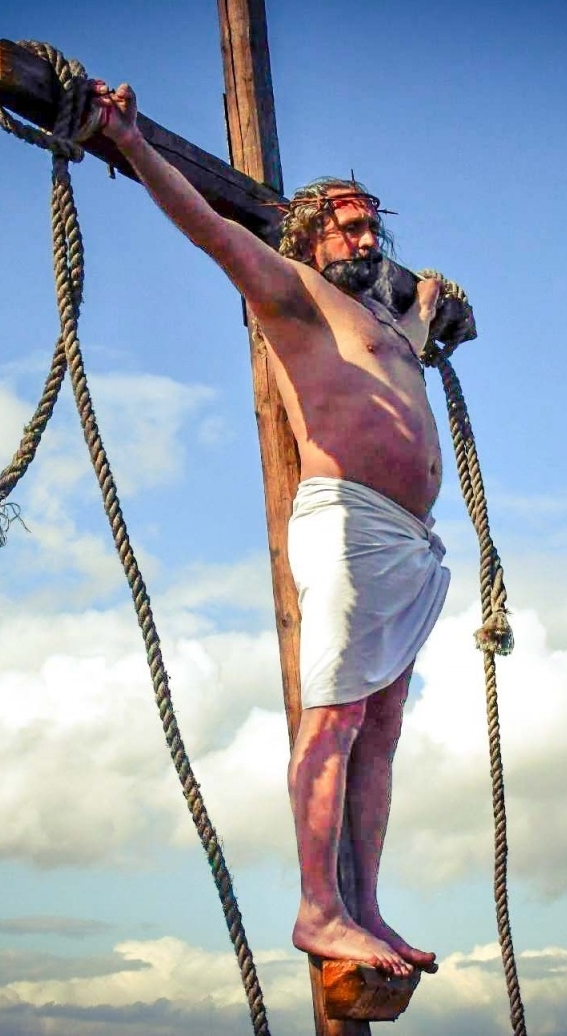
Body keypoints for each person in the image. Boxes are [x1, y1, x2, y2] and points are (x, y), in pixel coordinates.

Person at [91, 81, 454, 977]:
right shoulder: (290, 290)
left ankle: (366, 908)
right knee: (335, 716)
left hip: (409, 544)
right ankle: (318, 907)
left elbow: (403, 352)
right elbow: (212, 231)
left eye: (373, 231)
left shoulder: (381, 319)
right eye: (350, 229)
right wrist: (133, 144)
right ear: (307, 234)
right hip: (348, 524)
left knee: (382, 728)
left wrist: (424, 308)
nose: (366, 243)